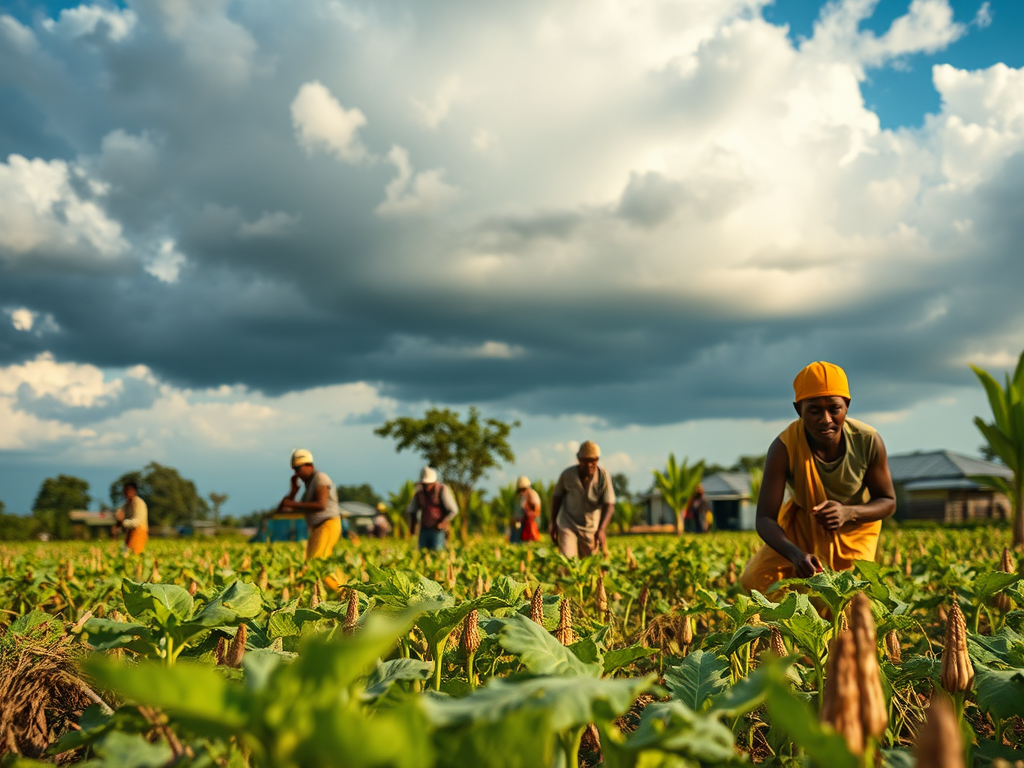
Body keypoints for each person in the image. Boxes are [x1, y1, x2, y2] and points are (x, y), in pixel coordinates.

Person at [740, 362, 896, 594]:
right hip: (803, 527)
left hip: (855, 528)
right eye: (814, 411)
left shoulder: (868, 441)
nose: (826, 419)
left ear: (847, 406)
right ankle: (793, 618)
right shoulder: (784, 447)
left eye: (835, 409)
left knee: (853, 596)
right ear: (798, 410)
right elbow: (764, 518)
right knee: (756, 578)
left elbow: (888, 501)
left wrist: (847, 512)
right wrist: (795, 555)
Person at [550, 441, 615, 558]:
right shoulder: (567, 475)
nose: (589, 464)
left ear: (597, 460)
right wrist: (553, 523)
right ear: (578, 459)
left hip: (591, 527)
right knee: (568, 559)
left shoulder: (603, 476)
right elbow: (557, 497)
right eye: (585, 461)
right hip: (568, 524)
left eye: (593, 460)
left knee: (590, 561)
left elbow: (609, 504)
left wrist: (601, 529)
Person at [277, 449, 342, 562]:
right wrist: (293, 491)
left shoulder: (320, 478)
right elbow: (282, 509)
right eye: (294, 470)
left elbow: (321, 505)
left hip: (327, 524)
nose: (296, 473)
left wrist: (293, 504)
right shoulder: (310, 482)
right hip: (316, 528)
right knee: (310, 562)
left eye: (298, 469)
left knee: (318, 561)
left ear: (309, 465)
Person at [407, 467, 459, 550]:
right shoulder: (419, 493)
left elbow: (453, 510)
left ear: (434, 483)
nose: (426, 487)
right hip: (424, 529)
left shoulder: (442, 490)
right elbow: (412, 510)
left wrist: (443, 522)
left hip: (438, 529)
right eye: (424, 484)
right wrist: (412, 529)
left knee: (437, 551)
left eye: (428, 484)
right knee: (423, 552)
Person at [115, 481, 148, 555]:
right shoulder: (126, 505)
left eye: (128, 490)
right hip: (129, 532)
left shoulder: (139, 503)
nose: (126, 493)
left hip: (139, 531)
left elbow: (137, 522)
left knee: (136, 553)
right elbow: (120, 515)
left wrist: (123, 522)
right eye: (125, 491)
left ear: (134, 491)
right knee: (126, 552)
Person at [511, 475, 542, 543]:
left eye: (523, 489)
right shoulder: (521, 496)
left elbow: (536, 508)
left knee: (530, 536)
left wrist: (531, 516)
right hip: (523, 521)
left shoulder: (532, 494)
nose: (521, 492)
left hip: (530, 521)